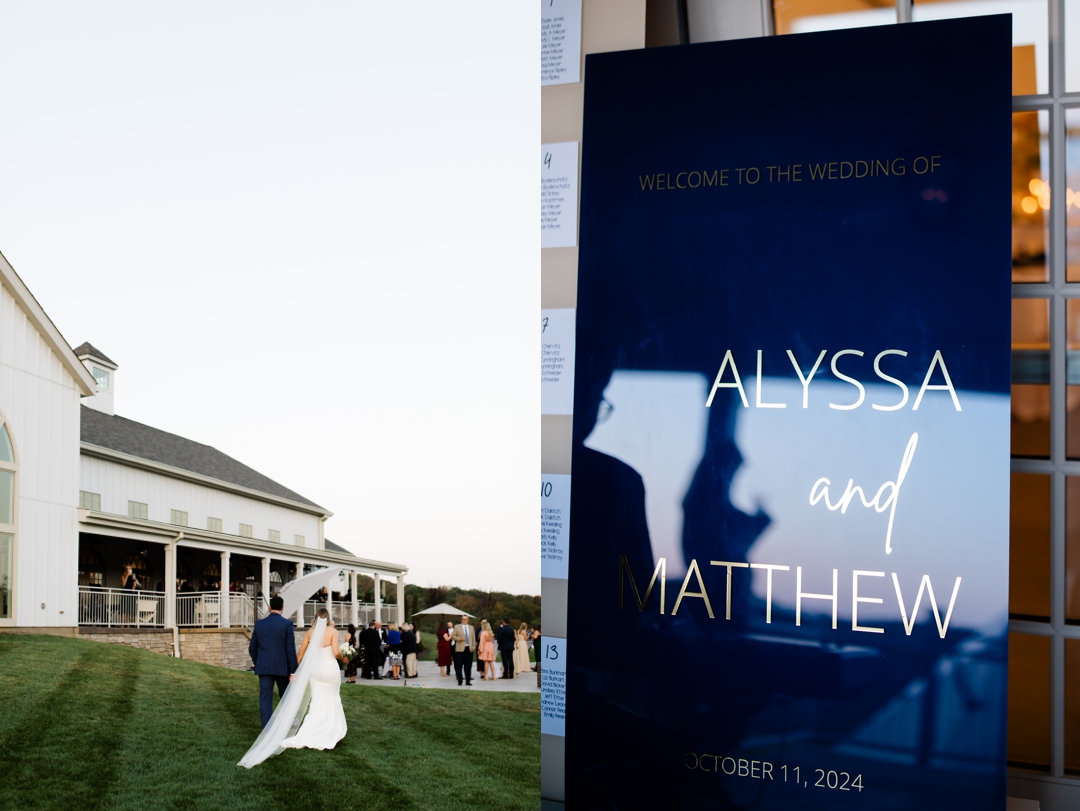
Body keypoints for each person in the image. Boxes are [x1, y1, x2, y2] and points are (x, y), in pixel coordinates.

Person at [238, 607, 346, 767]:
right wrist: (344, 658)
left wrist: (295, 671)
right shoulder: (332, 632)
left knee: (316, 699)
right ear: (328, 618)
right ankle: (330, 730)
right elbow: (336, 652)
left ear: (315, 618)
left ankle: (311, 728)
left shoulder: (310, 633)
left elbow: (301, 654)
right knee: (332, 696)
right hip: (330, 669)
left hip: (315, 671)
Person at [248, 595, 298, 728]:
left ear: (270, 608)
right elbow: (290, 650)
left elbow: (252, 648)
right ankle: (290, 722)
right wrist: (293, 670)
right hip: (282, 668)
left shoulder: (260, 624)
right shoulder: (287, 624)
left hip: (264, 667)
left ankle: (267, 728)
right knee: (286, 696)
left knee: (265, 698)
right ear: (282, 608)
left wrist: (258, 662)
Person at [451, 614, 475, 686]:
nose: (464, 620)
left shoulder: (471, 628)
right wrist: (459, 639)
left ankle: (468, 681)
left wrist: (473, 647)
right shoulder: (457, 627)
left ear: (468, 620)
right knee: (459, 665)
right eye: (463, 619)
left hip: (469, 649)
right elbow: (453, 636)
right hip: (460, 649)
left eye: (465, 619)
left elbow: (473, 638)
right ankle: (460, 680)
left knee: (468, 666)